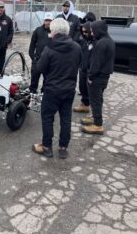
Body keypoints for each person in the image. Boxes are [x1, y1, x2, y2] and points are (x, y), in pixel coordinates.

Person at [32, 18, 81, 159]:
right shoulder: (76, 47)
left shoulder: (49, 48)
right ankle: (63, 147)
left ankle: (46, 146)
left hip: (52, 90)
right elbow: (79, 63)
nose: (50, 33)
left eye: (51, 31)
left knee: (47, 117)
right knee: (66, 118)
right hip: (69, 89)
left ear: (55, 32)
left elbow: (40, 68)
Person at [81, 20, 115, 135]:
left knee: (95, 100)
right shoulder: (110, 41)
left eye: (92, 30)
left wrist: (90, 76)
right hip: (105, 76)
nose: (91, 32)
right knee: (98, 99)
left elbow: (96, 63)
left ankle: (97, 125)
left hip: (97, 77)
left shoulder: (101, 44)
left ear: (98, 30)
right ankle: (94, 117)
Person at [73, 12, 97, 113]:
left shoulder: (95, 38)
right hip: (82, 66)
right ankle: (84, 104)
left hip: (90, 68)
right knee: (82, 86)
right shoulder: (82, 36)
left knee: (91, 89)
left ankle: (94, 112)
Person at [28, 12, 53, 93]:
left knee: (47, 81)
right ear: (44, 21)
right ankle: (32, 95)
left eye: (50, 20)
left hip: (48, 61)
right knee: (34, 81)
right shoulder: (37, 30)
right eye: (46, 20)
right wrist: (33, 57)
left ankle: (43, 95)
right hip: (37, 60)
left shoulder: (54, 32)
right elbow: (32, 46)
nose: (48, 22)